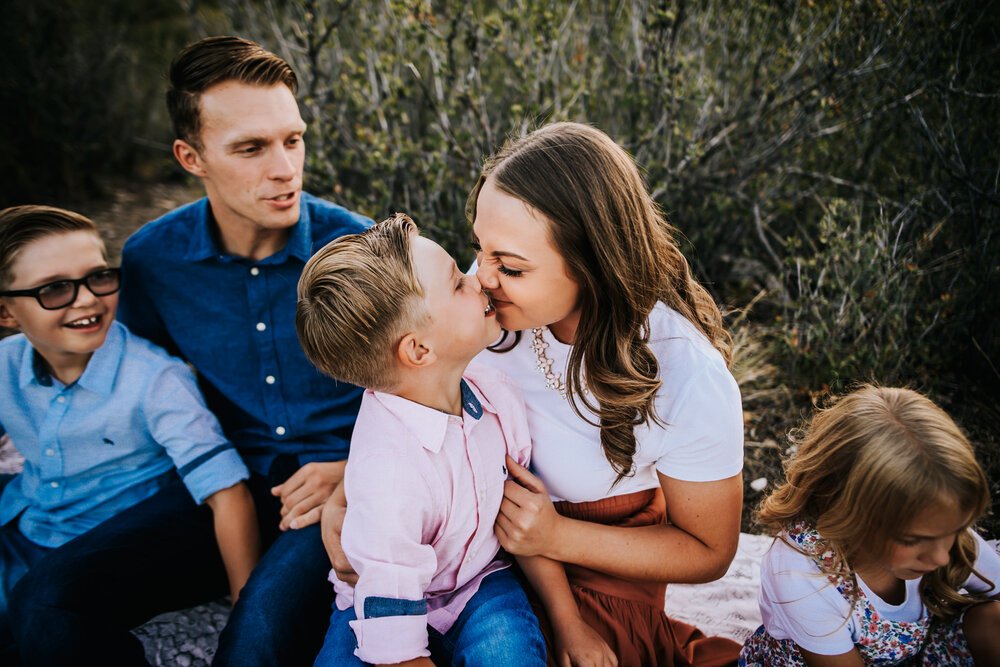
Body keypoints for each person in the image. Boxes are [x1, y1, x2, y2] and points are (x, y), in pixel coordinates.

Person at [326, 122, 745, 666]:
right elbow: (415, 394)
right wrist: (348, 493)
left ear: (592, 265)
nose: (483, 277)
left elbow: (710, 552)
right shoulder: (484, 304)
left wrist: (555, 536)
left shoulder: (686, 374)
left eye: (510, 266)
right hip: (464, 550)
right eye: (479, 249)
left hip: (591, 571)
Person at [114, 36, 372, 665]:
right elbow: (145, 388)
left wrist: (356, 468)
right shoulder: (151, 260)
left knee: (254, 638)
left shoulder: (360, 250)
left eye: (293, 139)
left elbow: (435, 392)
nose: (285, 168)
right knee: (46, 601)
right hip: (219, 485)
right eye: (251, 148)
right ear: (191, 157)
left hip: (331, 489)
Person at [0, 205, 258, 664]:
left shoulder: (154, 378)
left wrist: (246, 614)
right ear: (6, 311)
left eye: (98, 277)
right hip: (30, 522)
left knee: (43, 618)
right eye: (55, 288)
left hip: (111, 543)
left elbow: (228, 492)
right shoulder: (6, 364)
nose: (87, 300)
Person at [298, 213, 550, 666]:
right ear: (419, 350)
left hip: (479, 581)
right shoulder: (388, 472)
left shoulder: (497, 397)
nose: (478, 280)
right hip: (376, 596)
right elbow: (394, 641)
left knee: (509, 653)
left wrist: (567, 620)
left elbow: (522, 517)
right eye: (457, 283)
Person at [739, 385, 1000, 666]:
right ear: (848, 513)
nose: (940, 557)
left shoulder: (934, 524)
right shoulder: (800, 572)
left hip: (912, 655)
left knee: (992, 620)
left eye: (954, 531)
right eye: (913, 541)